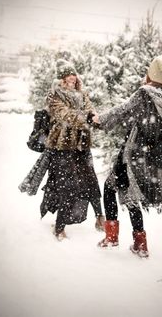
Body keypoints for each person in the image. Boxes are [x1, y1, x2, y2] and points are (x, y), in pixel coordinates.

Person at [92, 54, 162, 258]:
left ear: (152, 73)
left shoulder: (146, 93)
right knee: (131, 195)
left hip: (134, 154)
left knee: (110, 188)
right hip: (150, 157)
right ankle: (140, 244)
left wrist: (100, 119)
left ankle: (113, 237)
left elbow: (123, 110)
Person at [39, 60, 104, 240]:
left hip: (81, 145)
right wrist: (87, 119)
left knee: (90, 181)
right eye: (68, 78)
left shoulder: (82, 94)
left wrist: (93, 116)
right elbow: (65, 115)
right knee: (67, 185)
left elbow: (90, 109)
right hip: (62, 147)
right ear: (61, 80)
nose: (72, 81)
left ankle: (100, 218)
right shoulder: (54, 96)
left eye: (74, 79)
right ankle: (60, 227)